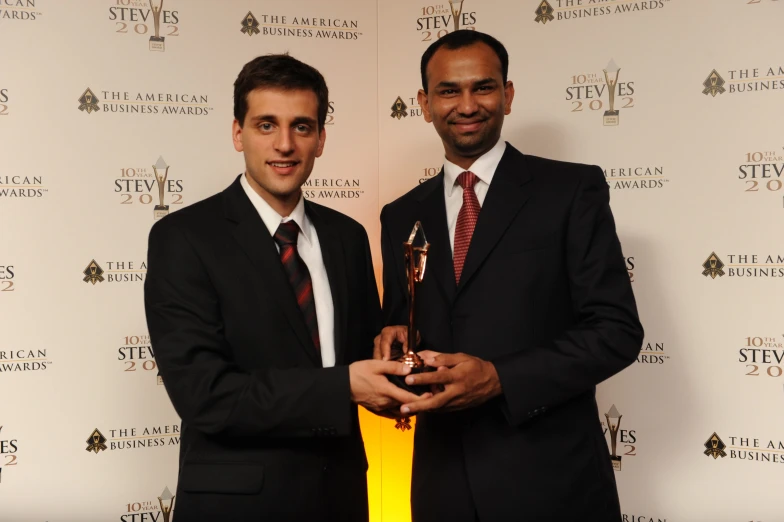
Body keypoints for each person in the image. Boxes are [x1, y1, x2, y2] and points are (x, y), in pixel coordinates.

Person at [377, 31, 644, 522]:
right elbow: (407, 325)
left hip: (553, 483)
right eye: (448, 91)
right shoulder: (400, 215)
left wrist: (501, 379)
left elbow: (617, 331)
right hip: (442, 487)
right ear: (424, 102)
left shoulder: (570, 190)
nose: (466, 105)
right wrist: (396, 344)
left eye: (483, 87)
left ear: (508, 95)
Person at [144, 54, 422, 522]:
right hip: (235, 507)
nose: (285, 144)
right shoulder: (185, 237)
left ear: (321, 139)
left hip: (341, 497)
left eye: (302, 127)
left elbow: (359, 367)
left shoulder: (346, 236)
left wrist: (395, 362)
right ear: (238, 133)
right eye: (266, 125)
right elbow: (203, 395)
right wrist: (344, 385)